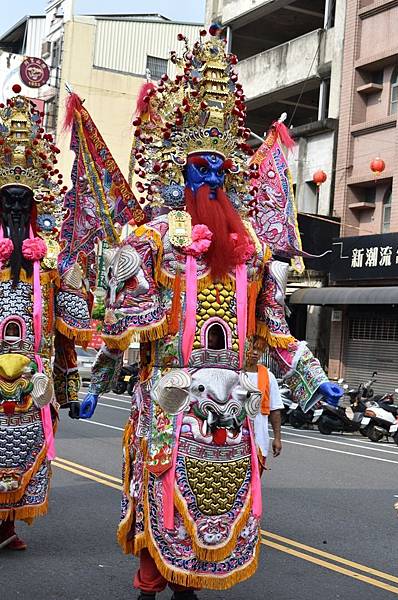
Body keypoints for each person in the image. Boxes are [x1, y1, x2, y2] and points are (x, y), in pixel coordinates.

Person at [81, 27, 342, 596]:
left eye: (219, 171)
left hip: (232, 400)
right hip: (171, 397)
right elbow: (120, 324)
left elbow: (275, 330)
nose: (211, 180)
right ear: (180, 173)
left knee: (221, 501)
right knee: (162, 494)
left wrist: (315, 379)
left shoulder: (252, 251)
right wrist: (96, 380)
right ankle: (160, 578)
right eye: (200, 169)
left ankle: (187, 582)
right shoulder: (150, 241)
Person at [0, 87, 91, 551]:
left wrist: (73, 388)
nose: (16, 206)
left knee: (20, 453)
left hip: (34, 380)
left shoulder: (52, 261)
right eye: (8, 198)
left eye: (24, 200)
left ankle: (7, 524)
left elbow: (68, 329)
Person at [245, 348, 283, 464]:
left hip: (259, 440)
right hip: (234, 440)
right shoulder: (233, 373)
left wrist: (277, 438)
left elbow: (275, 409)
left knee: (254, 480)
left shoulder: (268, 376)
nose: (255, 352)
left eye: (260, 349)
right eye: (251, 348)